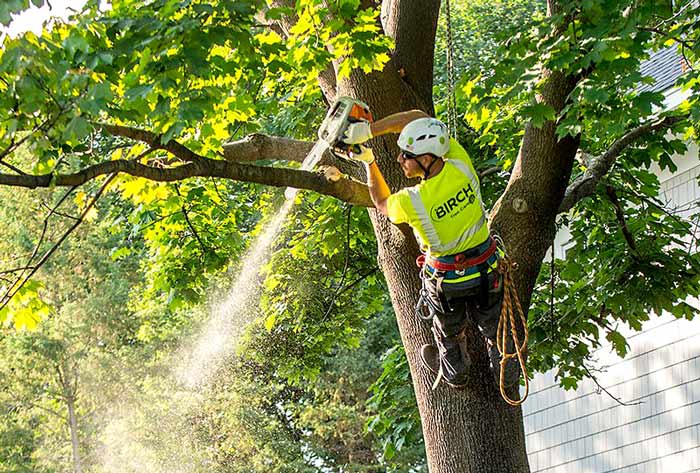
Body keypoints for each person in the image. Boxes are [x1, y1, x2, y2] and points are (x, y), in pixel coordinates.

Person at [341, 111, 519, 389]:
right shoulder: (461, 165)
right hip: (487, 271)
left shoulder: (413, 200)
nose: (400, 160)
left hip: (447, 283)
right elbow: (421, 119)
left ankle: (456, 373)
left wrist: (369, 162)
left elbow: (382, 203)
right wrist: (369, 130)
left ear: (425, 159)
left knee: (448, 334)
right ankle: (508, 375)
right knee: (496, 327)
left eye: (406, 155)